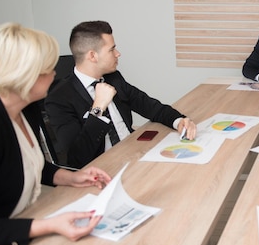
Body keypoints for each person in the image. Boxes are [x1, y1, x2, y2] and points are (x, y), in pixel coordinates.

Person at [0, 23, 111, 245]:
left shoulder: (26, 106)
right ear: (26, 75)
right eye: (48, 69)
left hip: (19, 224)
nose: (55, 73)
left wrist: (71, 177)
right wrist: (49, 225)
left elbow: (28, 164)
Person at [45, 21, 197, 169]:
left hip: (133, 154)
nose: (118, 54)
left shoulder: (113, 78)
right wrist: (97, 108)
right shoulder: (59, 98)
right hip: (102, 171)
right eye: (112, 49)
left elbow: (151, 106)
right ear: (92, 56)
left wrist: (179, 121)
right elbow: (77, 158)